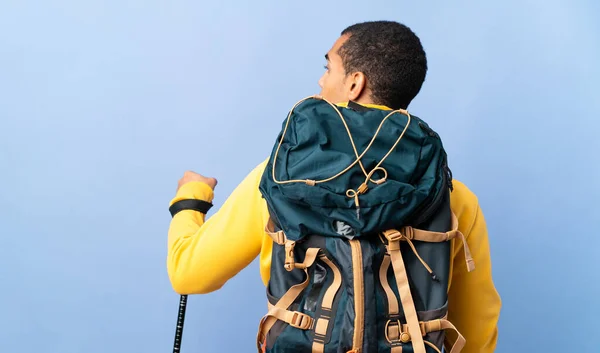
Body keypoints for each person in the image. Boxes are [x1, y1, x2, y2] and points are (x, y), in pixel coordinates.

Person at [166, 20, 501, 352]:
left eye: (329, 67)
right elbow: (477, 327)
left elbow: (189, 272)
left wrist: (191, 196)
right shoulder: (451, 195)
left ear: (355, 83)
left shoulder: (279, 178)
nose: (321, 80)